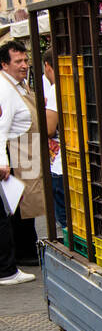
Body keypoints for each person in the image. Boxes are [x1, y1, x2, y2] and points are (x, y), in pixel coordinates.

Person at [0, 39, 44, 266]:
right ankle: (24, 251)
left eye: (25, 60)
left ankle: (27, 247)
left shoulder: (19, 84)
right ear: (4, 65)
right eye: (18, 61)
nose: (24, 65)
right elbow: (1, 127)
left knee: (29, 203)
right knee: (20, 205)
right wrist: (3, 161)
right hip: (17, 149)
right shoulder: (4, 88)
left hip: (27, 147)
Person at [41, 49, 65, 231]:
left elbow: (49, 129)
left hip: (60, 164)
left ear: (47, 65)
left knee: (64, 220)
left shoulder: (57, 88)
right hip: (76, 161)